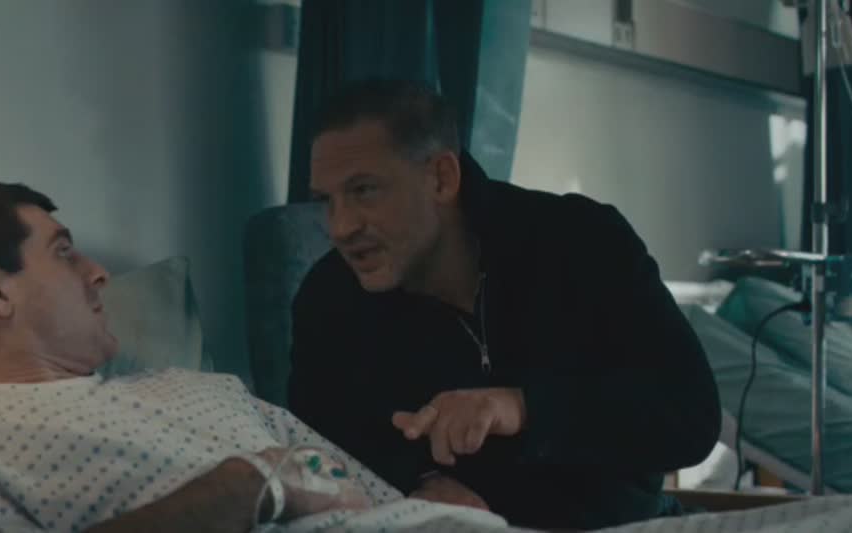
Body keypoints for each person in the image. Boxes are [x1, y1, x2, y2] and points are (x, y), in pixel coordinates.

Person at [0, 182, 518, 533]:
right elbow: (295, 476)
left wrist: (441, 498)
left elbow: (370, 496)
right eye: (63, 252)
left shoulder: (203, 387)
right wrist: (252, 484)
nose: (98, 273)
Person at [287, 79, 722, 530]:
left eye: (364, 191)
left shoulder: (582, 239)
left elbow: (690, 418)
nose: (341, 227)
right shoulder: (328, 302)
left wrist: (523, 408)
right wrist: (421, 484)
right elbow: (317, 453)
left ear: (441, 178)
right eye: (326, 201)